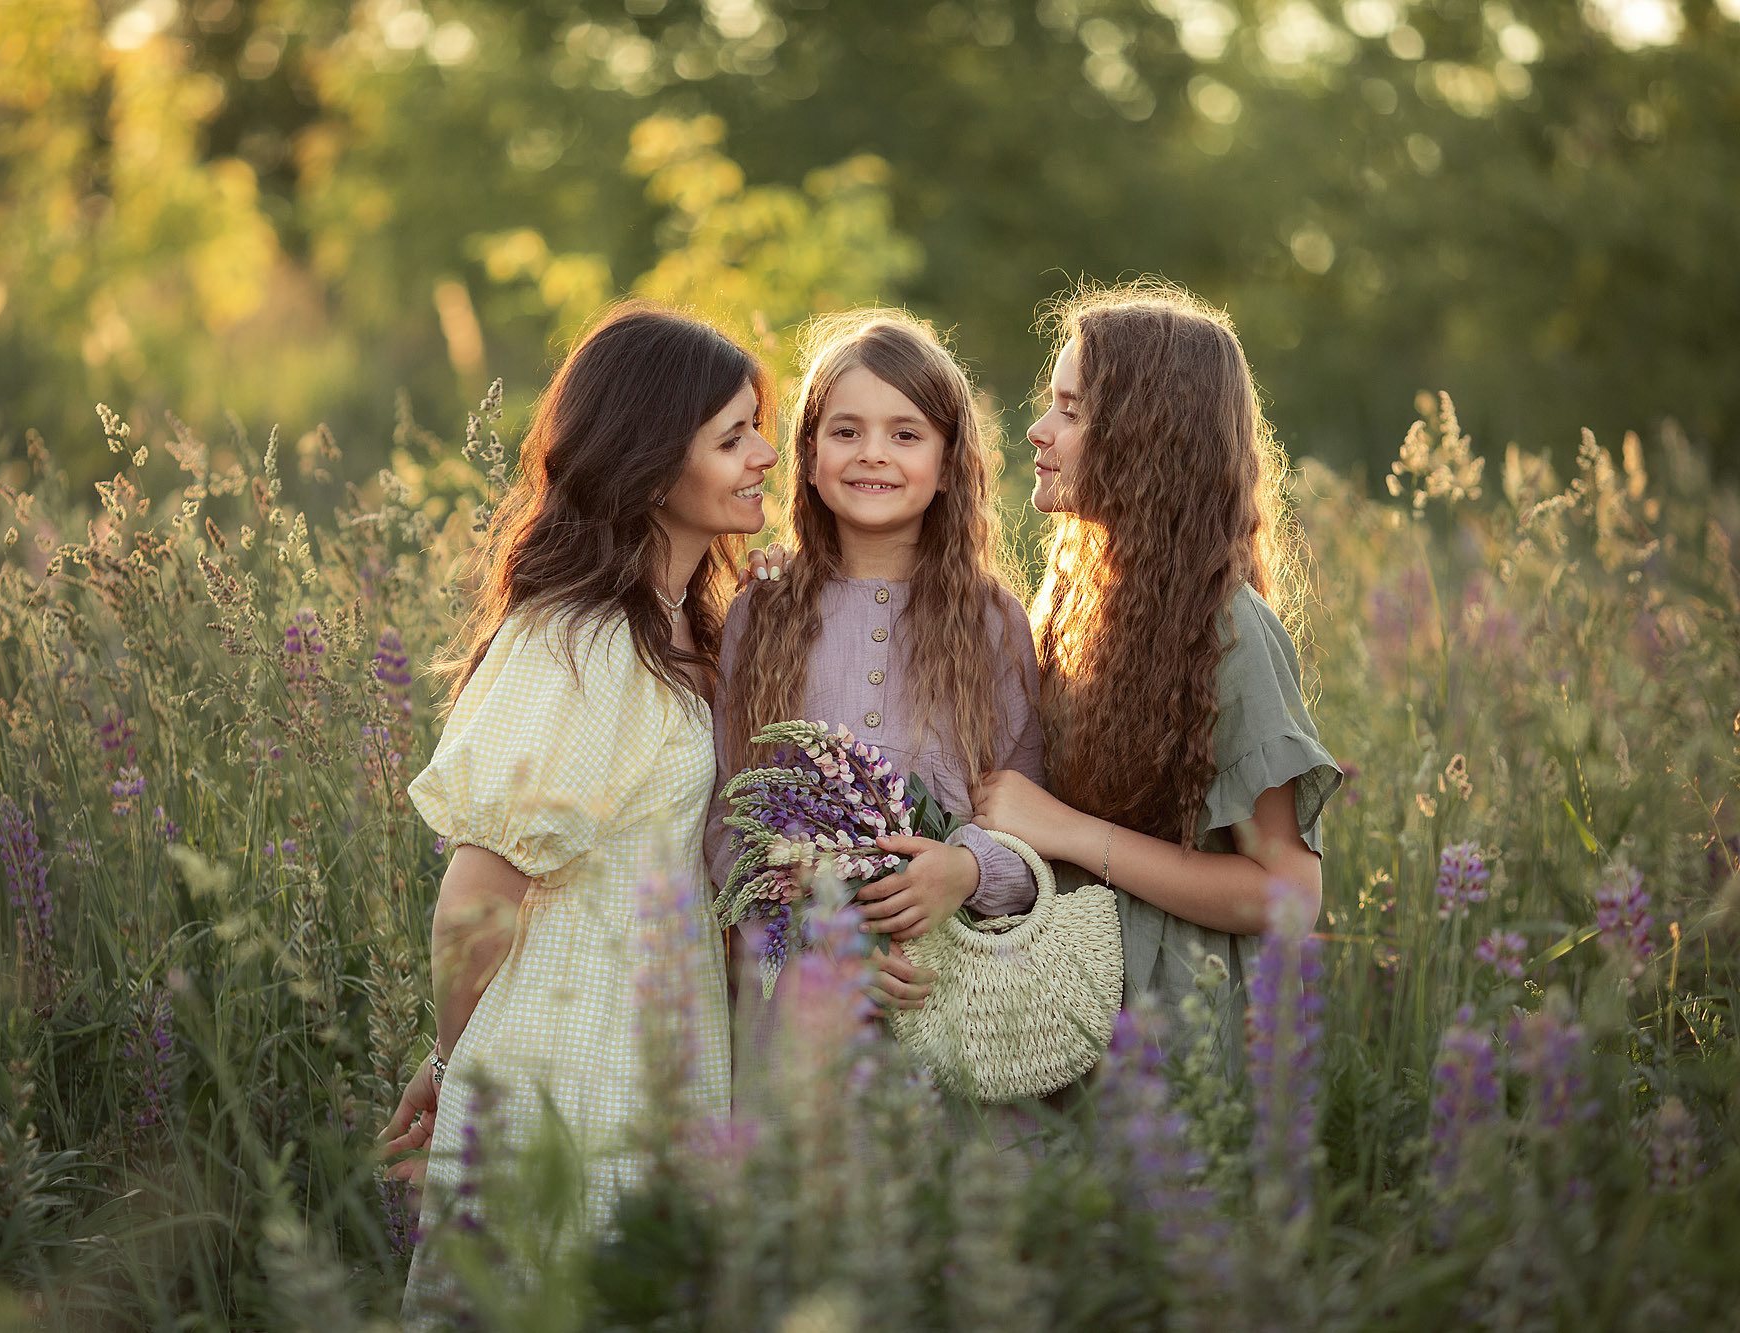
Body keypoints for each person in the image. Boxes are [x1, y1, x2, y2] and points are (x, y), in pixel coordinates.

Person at [379, 302, 778, 1316]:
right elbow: (478, 893)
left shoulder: (683, 635)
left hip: (656, 1068)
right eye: (731, 437)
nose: (764, 455)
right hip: (565, 1081)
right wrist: (449, 1058)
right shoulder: (579, 643)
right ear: (651, 462)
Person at [969, 282, 1342, 1067]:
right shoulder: (1079, 602)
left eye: (1071, 411)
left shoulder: (1229, 630)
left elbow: (1287, 895)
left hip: (1175, 1044)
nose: (1038, 431)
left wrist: (1066, 830)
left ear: (1148, 437)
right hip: (1068, 1014)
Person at [708, 310, 1043, 1016]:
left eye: (906, 434)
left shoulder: (994, 624)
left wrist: (969, 869)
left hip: (952, 991)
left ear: (949, 463)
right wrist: (820, 928)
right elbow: (728, 820)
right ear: (810, 453)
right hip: (801, 997)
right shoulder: (762, 611)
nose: (873, 454)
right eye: (846, 431)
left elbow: (1031, 828)